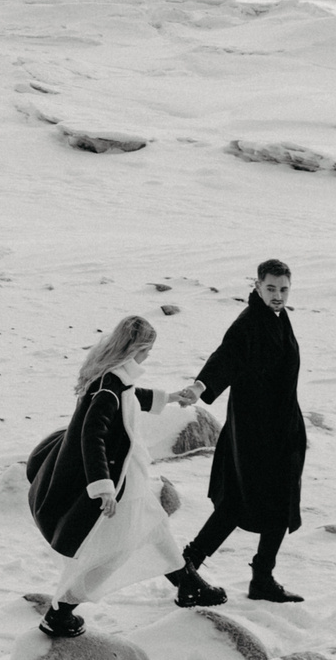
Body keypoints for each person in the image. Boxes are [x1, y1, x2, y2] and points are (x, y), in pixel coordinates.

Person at [25, 314, 229, 637]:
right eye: (148, 351)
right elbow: (92, 436)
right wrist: (103, 488)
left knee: (155, 525)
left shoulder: (113, 377)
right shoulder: (109, 387)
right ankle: (59, 612)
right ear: (137, 349)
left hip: (126, 473)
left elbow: (130, 397)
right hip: (116, 481)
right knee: (114, 551)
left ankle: (188, 584)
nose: (149, 356)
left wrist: (170, 397)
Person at [178, 259, 307, 602]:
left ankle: (261, 577)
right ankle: (188, 566)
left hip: (282, 429)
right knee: (237, 503)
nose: (278, 295)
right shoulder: (249, 323)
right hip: (254, 432)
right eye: (271, 288)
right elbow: (227, 356)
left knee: (280, 502)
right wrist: (200, 386)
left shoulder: (278, 317)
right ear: (257, 286)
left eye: (283, 289)